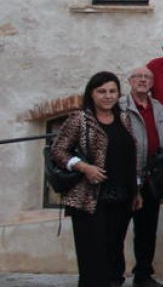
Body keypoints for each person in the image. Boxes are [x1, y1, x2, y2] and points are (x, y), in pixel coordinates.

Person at [50, 71, 140, 287]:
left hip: (121, 196)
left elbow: (131, 156)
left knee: (114, 253)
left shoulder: (124, 118)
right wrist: (84, 167)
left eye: (112, 91)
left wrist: (136, 191)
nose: (108, 96)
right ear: (92, 93)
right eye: (102, 91)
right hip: (89, 198)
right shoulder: (80, 119)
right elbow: (58, 150)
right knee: (93, 256)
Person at [117, 66, 163, 287]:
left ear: (152, 82)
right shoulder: (119, 106)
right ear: (130, 80)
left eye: (147, 77)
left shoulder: (159, 108)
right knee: (118, 229)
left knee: (147, 230)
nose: (142, 80)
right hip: (127, 177)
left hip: (151, 179)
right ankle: (114, 276)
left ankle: (143, 275)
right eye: (138, 77)